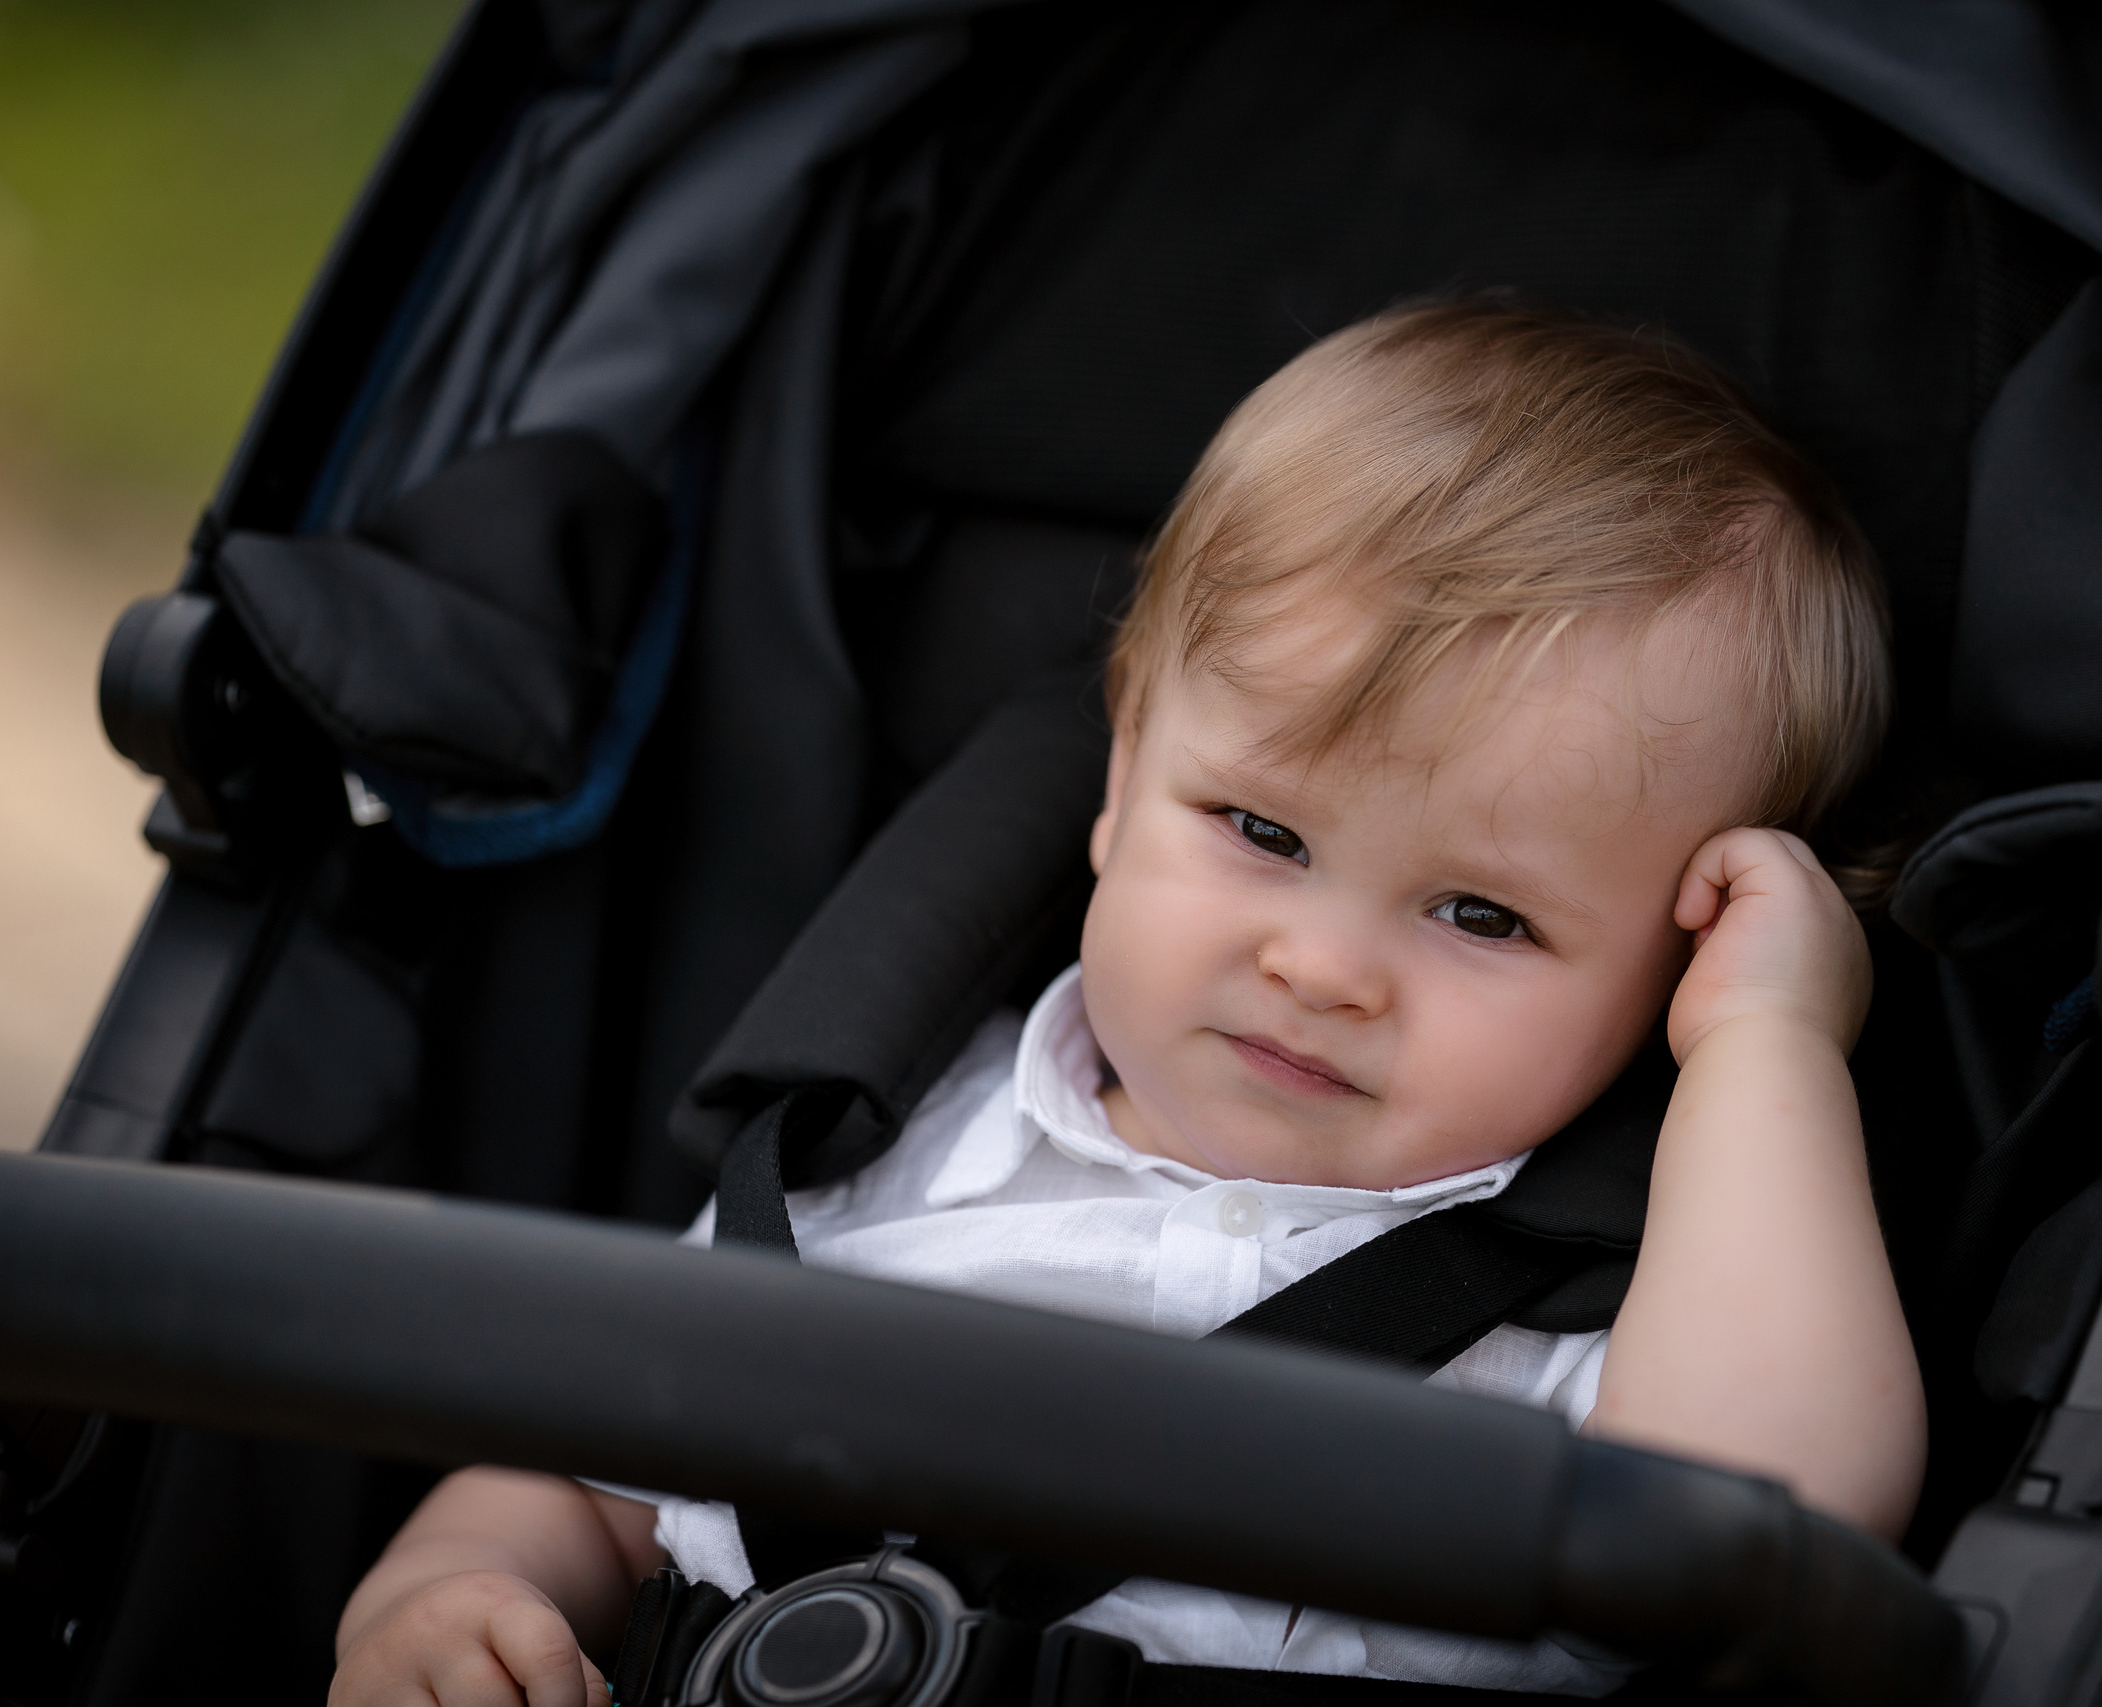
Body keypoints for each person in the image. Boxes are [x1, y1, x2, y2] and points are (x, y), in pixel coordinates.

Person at [328, 298, 1919, 1706]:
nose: (1322, 966)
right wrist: (446, 1594)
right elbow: (595, 1464)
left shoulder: (1595, 1323)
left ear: (1671, 968)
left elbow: (1771, 1514)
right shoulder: (875, 1153)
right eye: (1263, 832)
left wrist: (1765, 1046)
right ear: (1119, 777)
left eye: (1482, 915)